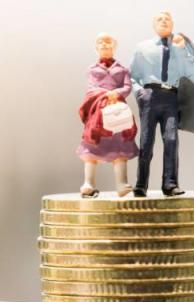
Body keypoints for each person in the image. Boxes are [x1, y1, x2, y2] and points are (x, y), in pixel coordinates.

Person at [129, 11, 194, 197]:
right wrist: (140, 93)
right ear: (153, 24)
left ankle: (170, 183)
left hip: (170, 96)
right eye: (159, 19)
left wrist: (181, 50)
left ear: (173, 24)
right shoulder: (142, 48)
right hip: (150, 96)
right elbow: (132, 76)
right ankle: (140, 183)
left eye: (167, 19)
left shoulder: (180, 48)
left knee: (171, 140)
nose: (163, 21)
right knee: (146, 142)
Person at [76, 32, 139, 198]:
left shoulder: (123, 69)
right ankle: (88, 183)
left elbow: (127, 87)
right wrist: (106, 94)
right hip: (98, 112)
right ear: (96, 48)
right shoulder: (92, 69)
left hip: (117, 110)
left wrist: (116, 93)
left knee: (120, 146)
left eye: (108, 42)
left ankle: (121, 184)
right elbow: (91, 88)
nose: (104, 45)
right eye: (101, 43)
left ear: (114, 47)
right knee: (91, 147)